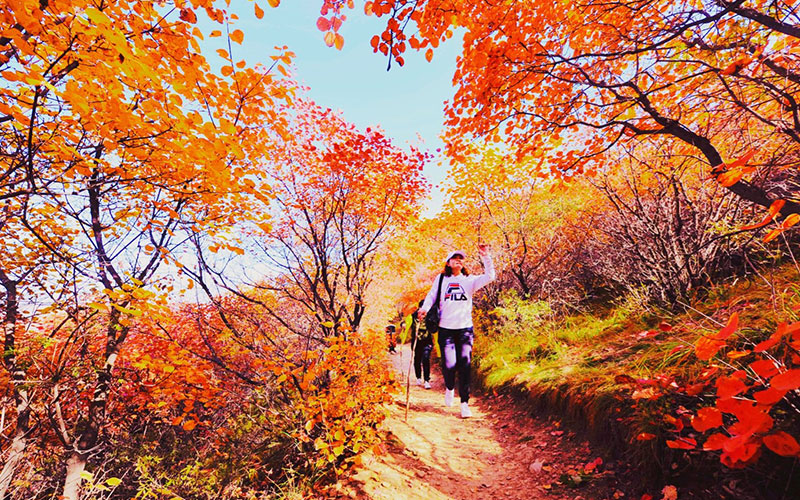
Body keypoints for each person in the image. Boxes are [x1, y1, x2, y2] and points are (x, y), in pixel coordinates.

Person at [418, 245, 495, 418]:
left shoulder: (470, 280)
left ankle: (465, 403)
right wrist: (424, 309)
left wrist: (486, 256)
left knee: (465, 366)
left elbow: (490, 276)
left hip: (465, 329)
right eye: (455, 258)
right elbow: (431, 296)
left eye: (461, 258)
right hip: (446, 329)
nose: (458, 260)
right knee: (449, 364)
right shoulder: (441, 279)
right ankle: (450, 387)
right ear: (448, 262)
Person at [410, 299, 433, 389]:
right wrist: (403, 325)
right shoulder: (413, 316)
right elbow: (405, 323)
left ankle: (426, 380)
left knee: (426, 359)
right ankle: (418, 377)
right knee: (417, 360)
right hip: (417, 342)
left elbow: (435, 327)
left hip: (427, 342)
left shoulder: (430, 317)